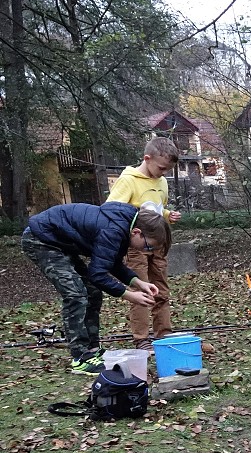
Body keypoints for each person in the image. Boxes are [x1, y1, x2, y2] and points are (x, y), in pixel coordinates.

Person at [21, 203, 168, 374]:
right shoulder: (114, 230)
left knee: (93, 292)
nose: (146, 251)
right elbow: (98, 274)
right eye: (148, 246)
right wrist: (129, 295)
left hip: (60, 242)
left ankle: (92, 349)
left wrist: (138, 283)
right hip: (41, 240)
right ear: (137, 232)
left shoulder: (123, 227)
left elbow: (109, 262)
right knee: (76, 295)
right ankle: (80, 357)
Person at [107, 136, 181, 350]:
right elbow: (113, 210)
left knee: (161, 289)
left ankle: (163, 333)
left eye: (167, 169)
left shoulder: (162, 182)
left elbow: (158, 209)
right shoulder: (128, 180)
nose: (163, 172)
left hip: (158, 246)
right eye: (161, 168)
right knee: (141, 290)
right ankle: (141, 338)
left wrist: (168, 215)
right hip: (136, 246)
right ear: (146, 158)